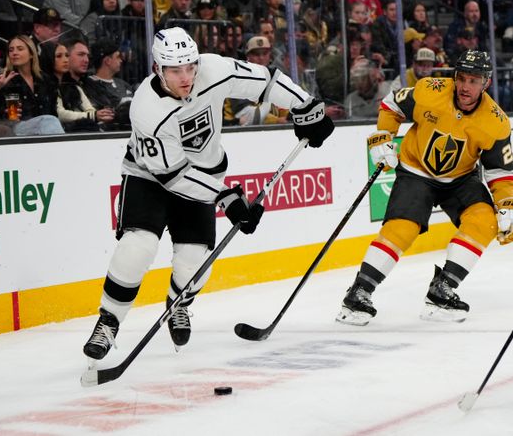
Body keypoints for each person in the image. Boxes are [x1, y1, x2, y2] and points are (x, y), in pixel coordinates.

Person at [82, 27, 334, 361]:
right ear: (158, 68)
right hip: (149, 179)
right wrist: (226, 197)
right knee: (137, 247)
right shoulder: (147, 110)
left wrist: (306, 106)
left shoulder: (213, 69)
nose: (186, 77)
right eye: (175, 70)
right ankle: (109, 321)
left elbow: (267, 81)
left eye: (190, 67)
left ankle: (179, 305)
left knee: (195, 262)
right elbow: (173, 176)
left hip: (203, 174)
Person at [336, 50, 513, 325]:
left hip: (461, 179)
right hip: (415, 172)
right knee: (401, 229)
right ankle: (359, 292)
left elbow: (499, 170)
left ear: (486, 83)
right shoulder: (430, 90)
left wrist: (507, 202)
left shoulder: (496, 122)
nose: (465, 86)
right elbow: (392, 104)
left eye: (474, 80)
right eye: (462, 78)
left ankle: (442, 289)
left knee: (484, 220)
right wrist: (382, 135)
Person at [0, 34, 64, 136]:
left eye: (20, 49)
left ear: (31, 54)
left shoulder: (45, 80)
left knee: (50, 121)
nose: (14, 53)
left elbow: (53, 112)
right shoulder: (3, 79)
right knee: (48, 121)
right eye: (11, 50)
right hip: (15, 129)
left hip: (45, 130)